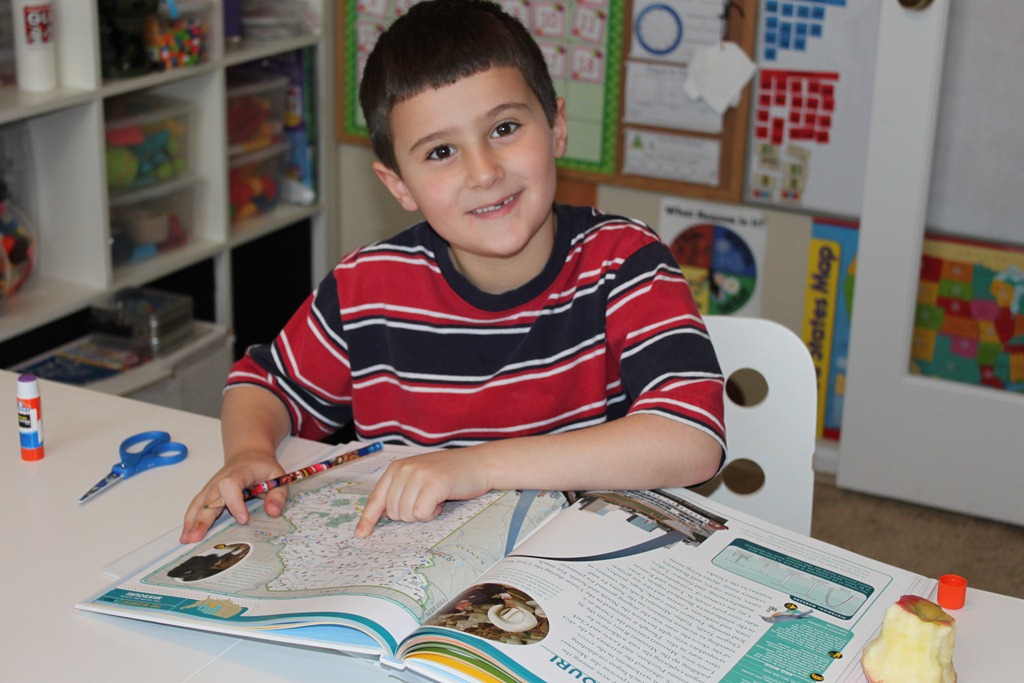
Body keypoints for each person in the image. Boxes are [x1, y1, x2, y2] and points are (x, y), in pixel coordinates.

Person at [180, 0, 725, 544]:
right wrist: (249, 451)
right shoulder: (367, 286)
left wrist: (477, 465)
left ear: (556, 127)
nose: (483, 172)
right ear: (399, 185)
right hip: (414, 561)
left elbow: (691, 438)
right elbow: (265, 385)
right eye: (441, 152)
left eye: (504, 128)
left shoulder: (624, 262)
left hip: (574, 561)